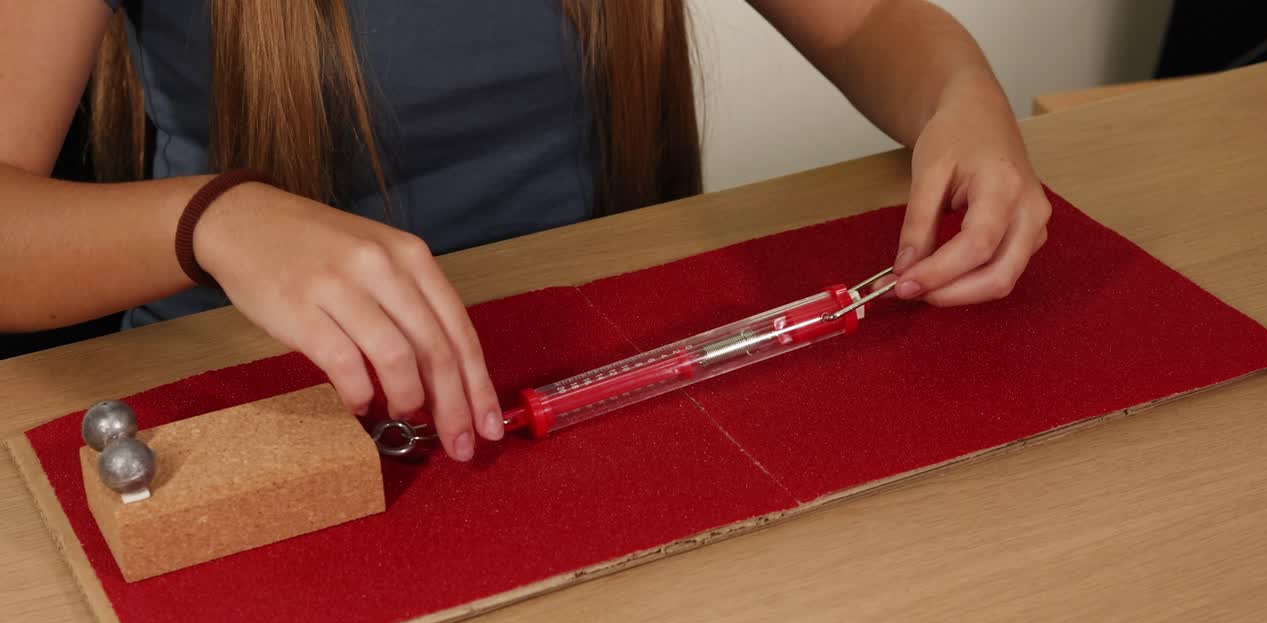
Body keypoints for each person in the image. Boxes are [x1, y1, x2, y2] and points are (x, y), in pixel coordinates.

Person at [0, 0, 1051, 462]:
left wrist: (959, 97)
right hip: (252, 401)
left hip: (578, 382)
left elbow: (871, 21)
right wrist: (213, 219)